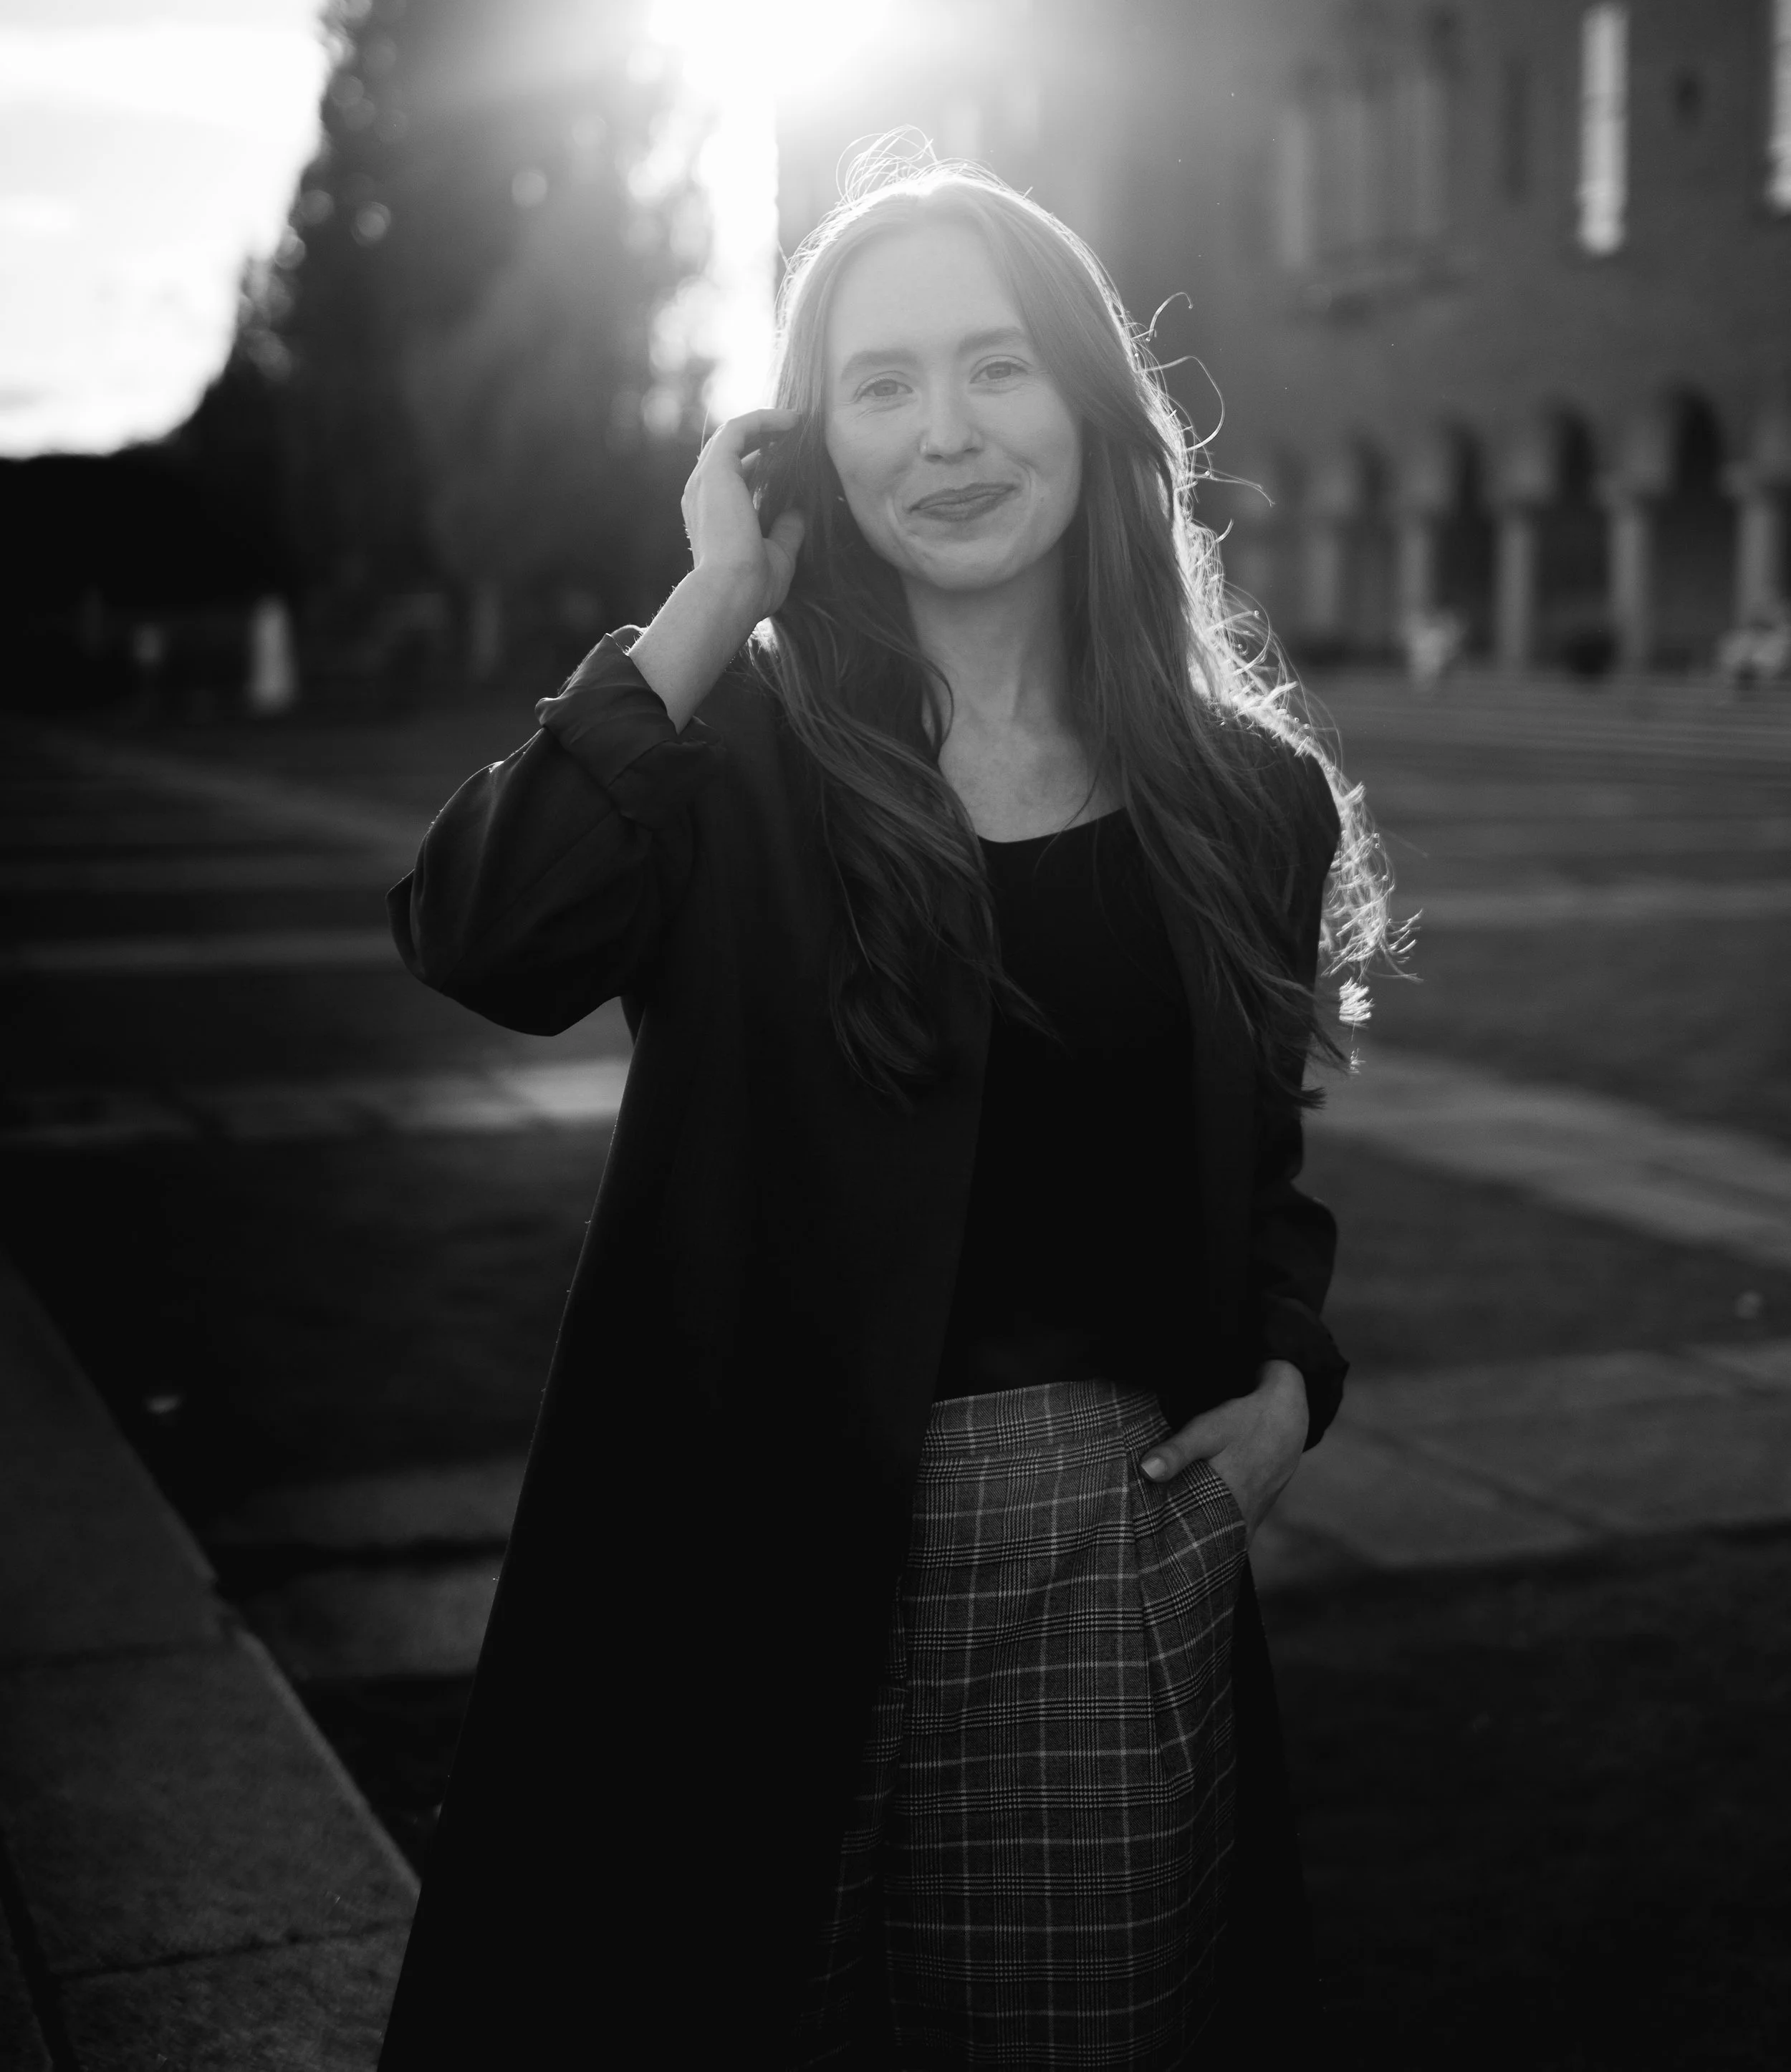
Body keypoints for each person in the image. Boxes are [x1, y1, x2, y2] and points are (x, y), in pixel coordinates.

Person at [376, 153, 1388, 2069]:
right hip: (743, 1557)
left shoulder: (1243, 795)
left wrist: (1282, 1370)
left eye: (995, 369)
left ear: (1090, 405)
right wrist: (704, 602)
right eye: (881, 384)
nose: (945, 432)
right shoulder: (729, 758)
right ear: (806, 446)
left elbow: (1257, 1157)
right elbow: (481, 932)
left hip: (1105, 1544)